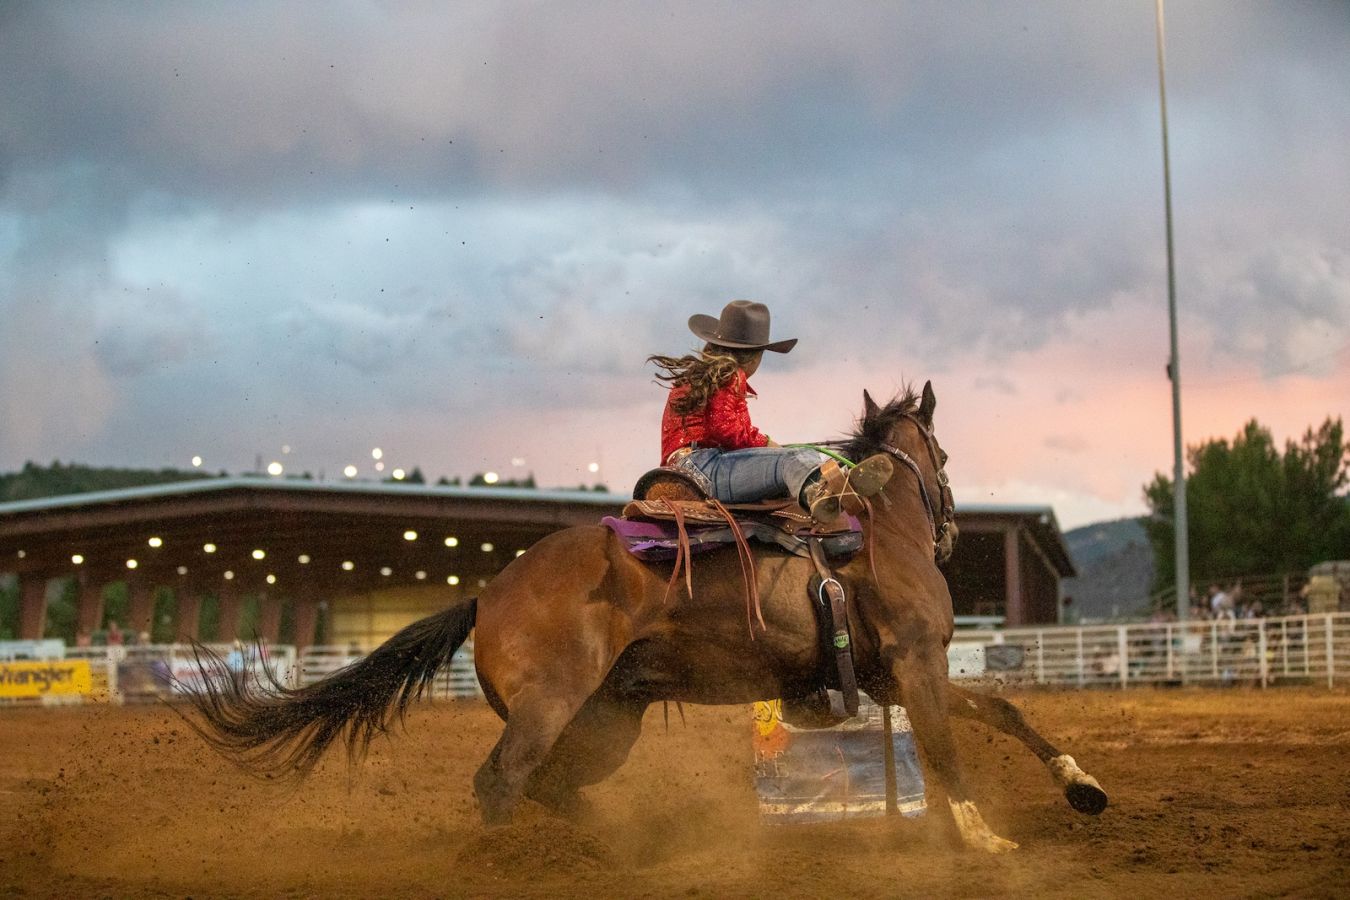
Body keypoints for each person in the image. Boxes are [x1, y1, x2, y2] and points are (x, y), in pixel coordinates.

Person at [648, 299, 893, 522]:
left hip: (685, 468)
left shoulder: (702, 378)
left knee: (799, 459)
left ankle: (828, 484)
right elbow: (726, 431)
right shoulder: (730, 376)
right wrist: (767, 444)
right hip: (705, 469)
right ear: (755, 357)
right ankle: (824, 491)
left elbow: (719, 430)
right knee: (796, 459)